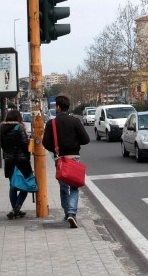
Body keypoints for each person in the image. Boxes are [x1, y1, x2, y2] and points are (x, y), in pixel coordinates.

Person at [42, 95, 90, 228]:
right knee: (74, 186)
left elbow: (45, 143)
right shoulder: (75, 121)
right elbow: (86, 139)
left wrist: (55, 149)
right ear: (68, 107)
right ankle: (72, 213)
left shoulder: (51, 123)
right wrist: (74, 142)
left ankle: (66, 213)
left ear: (58, 107)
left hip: (60, 159)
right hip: (74, 158)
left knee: (63, 188)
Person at [0, 109, 33, 219]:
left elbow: (3, 146)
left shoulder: (2, 129)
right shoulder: (19, 128)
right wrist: (30, 141)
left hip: (9, 161)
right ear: (18, 118)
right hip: (21, 161)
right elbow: (25, 144)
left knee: (13, 186)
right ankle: (16, 209)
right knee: (25, 186)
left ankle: (15, 210)